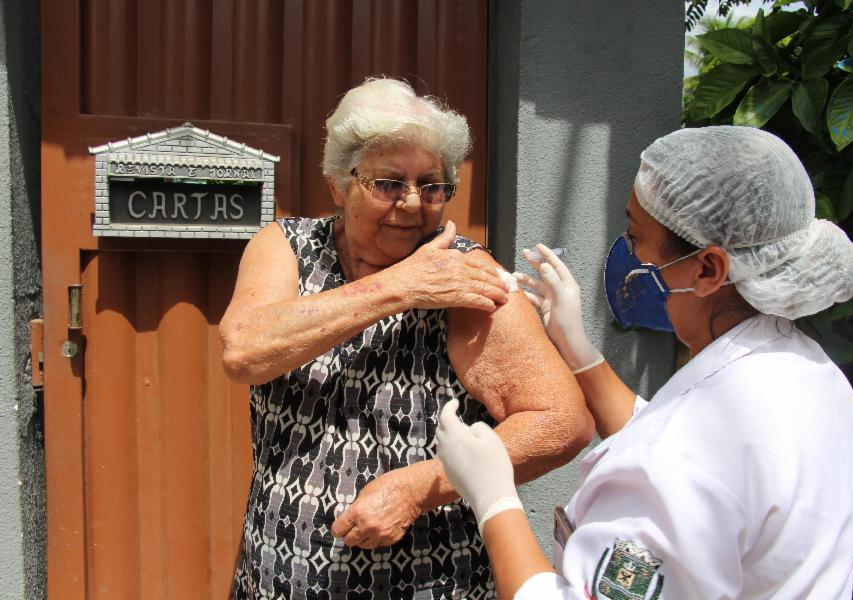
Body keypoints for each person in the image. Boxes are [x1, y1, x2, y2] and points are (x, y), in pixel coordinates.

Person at [437, 126, 853, 599]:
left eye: (636, 234)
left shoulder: (679, 456)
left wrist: (493, 498)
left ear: (708, 269)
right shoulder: (809, 371)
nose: (631, 253)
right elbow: (678, 446)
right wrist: (577, 348)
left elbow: (675, 460)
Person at [219, 77, 594, 599]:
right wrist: (398, 286)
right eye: (389, 183)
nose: (413, 204)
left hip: (431, 580)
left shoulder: (466, 276)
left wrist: (420, 488)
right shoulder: (288, 245)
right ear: (338, 184)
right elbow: (243, 352)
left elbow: (562, 423)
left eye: (433, 185)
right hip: (275, 572)